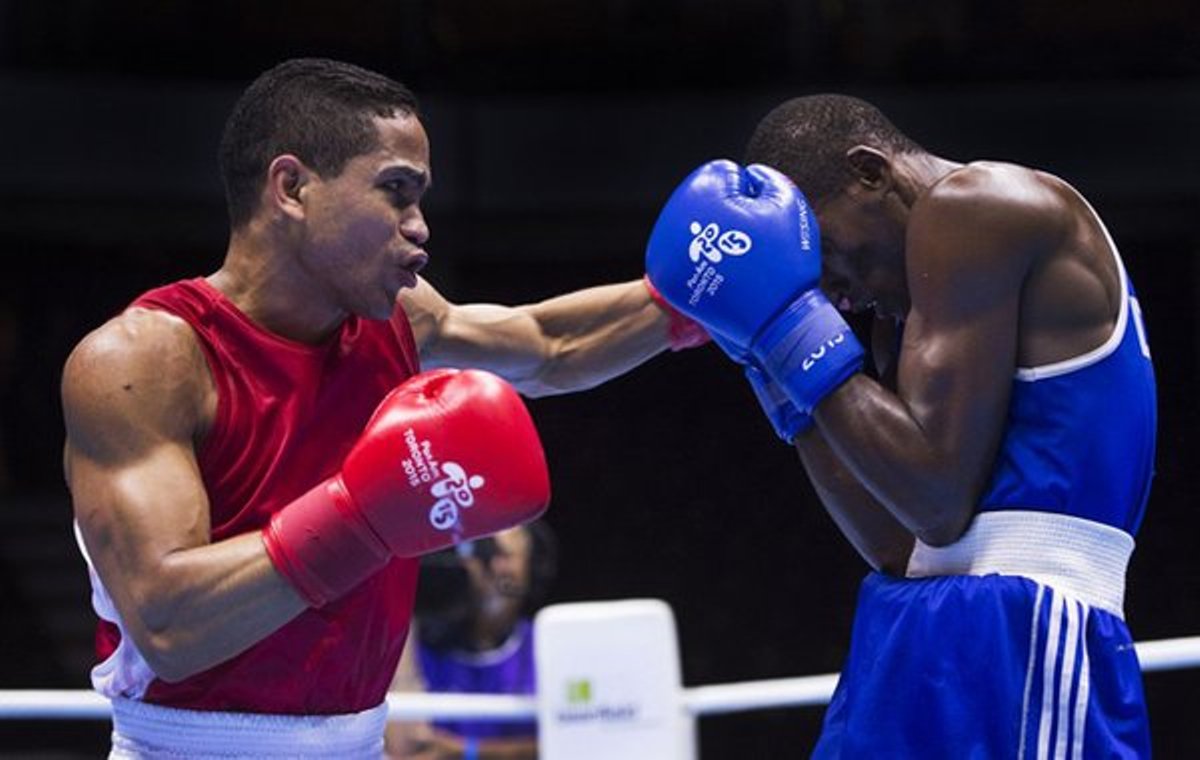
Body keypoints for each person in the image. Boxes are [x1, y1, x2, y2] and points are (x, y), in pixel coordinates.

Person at [61, 58, 705, 758]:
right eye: (396, 192)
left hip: (362, 741)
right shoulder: (143, 361)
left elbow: (545, 345)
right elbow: (169, 627)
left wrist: (695, 299)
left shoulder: (397, 320)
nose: (420, 227)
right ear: (292, 187)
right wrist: (360, 516)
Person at [645, 94, 1155, 757]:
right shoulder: (901, 317)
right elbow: (899, 544)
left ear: (870, 173)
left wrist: (786, 324)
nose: (831, 291)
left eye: (823, 252)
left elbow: (936, 501)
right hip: (913, 620)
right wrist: (772, 363)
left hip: (1024, 629)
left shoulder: (978, 205)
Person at [385, 521, 556, 759]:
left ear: (532, 566)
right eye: (481, 552)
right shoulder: (419, 646)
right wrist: (408, 604)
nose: (491, 567)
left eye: (503, 555)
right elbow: (404, 749)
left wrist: (466, 751)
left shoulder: (547, 648)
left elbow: (574, 742)